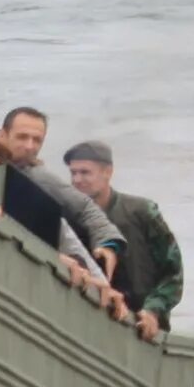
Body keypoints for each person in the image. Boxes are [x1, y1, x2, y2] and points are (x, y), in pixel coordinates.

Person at [0, 107, 130, 313]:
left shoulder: (38, 176)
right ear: (2, 135)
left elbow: (84, 208)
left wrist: (107, 243)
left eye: (37, 140)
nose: (30, 146)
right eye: (22, 137)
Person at [66, 140, 185, 341]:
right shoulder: (67, 217)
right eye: (73, 173)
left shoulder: (141, 212)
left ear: (107, 172)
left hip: (143, 328)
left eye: (85, 172)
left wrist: (153, 310)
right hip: (90, 324)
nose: (77, 180)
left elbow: (173, 272)